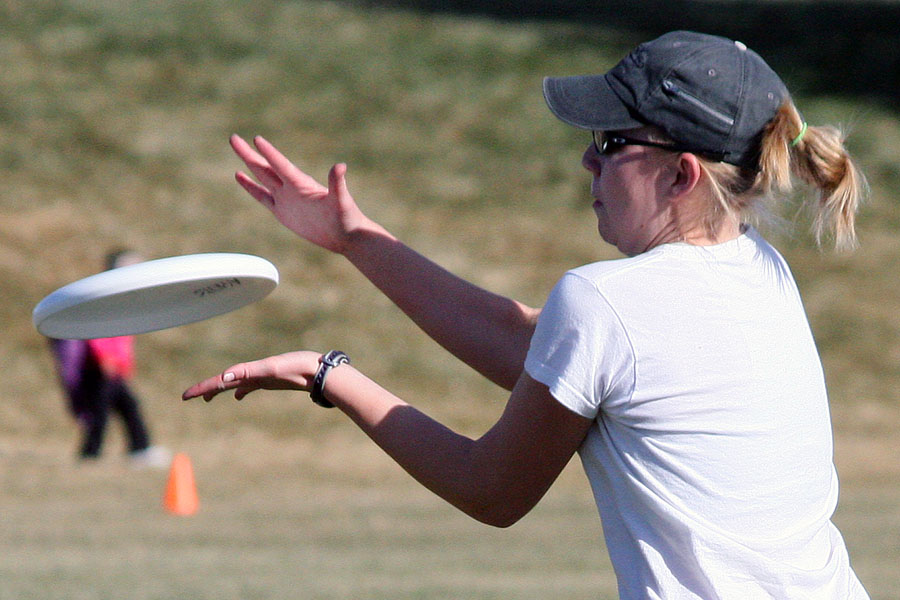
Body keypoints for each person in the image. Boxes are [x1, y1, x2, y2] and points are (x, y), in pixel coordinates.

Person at [183, 31, 869, 598]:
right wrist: (357, 240)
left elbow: (492, 491)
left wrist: (328, 375)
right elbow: (533, 349)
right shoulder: (760, 274)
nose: (586, 159)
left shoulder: (608, 302)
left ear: (681, 174)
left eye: (610, 142)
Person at [50, 250, 171, 468]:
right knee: (102, 413)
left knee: (126, 408)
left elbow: (123, 339)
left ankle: (136, 448)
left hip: (115, 368)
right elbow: (96, 333)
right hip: (100, 369)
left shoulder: (125, 301)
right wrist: (104, 358)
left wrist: (125, 363)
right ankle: (94, 453)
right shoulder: (104, 297)